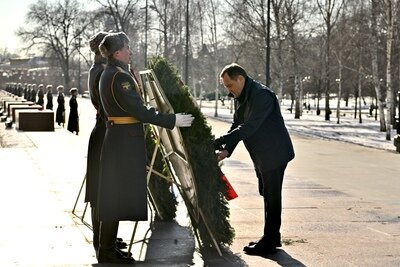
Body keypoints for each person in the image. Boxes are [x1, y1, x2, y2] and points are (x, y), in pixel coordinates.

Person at [96, 32, 193, 264]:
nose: (130, 51)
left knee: (114, 196)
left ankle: (107, 247)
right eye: (127, 48)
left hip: (118, 139)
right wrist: (172, 120)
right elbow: (139, 111)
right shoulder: (120, 77)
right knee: (115, 196)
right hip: (123, 142)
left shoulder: (110, 73)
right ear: (117, 52)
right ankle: (106, 251)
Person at [213, 63, 295, 255]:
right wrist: (226, 150)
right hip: (262, 154)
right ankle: (272, 237)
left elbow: (248, 127)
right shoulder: (241, 95)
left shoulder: (261, 95)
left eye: (229, 85)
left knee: (272, 196)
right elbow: (237, 123)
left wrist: (218, 142)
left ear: (240, 79)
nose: (229, 90)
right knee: (266, 194)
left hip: (275, 153)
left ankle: (269, 241)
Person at [84, 31, 108, 256]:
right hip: (105, 132)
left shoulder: (96, 69)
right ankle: (102, 241)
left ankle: (102, 239)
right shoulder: (103, 72)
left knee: (98, 190)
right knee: (102, 190)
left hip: (100, 131)